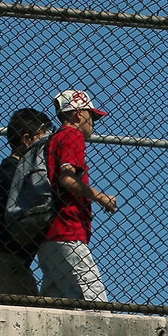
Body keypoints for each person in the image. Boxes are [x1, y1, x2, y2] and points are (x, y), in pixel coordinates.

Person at [37, 89, 119, 302]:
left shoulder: (53, 139)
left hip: (48, 236)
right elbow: (67, 179)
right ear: (78, 114)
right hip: (67, 231)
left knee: (54, 305)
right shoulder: (72, 136)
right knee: (95, 300)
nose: (93, 123)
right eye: (92, 116)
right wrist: (101, 197)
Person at [0, 107, 53, 296]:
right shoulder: (12, 173)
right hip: (5, 257)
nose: (46, 147)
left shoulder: (14, 171)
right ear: (26, 140)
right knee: (27, 309)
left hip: (10, 257)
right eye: (42, 139)